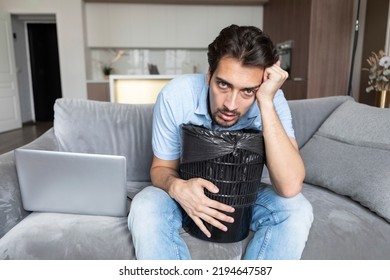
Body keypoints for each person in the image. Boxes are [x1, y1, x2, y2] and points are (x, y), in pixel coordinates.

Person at [128, 24, 313, 260]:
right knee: (144, 205)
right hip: (185, 192)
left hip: (245, 194)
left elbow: (289, 187)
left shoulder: (271, 99)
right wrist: (177, 187)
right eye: (223, 85)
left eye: (248, 91)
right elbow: (161, 169)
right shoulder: (176, 95)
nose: (231, 105)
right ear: (209, 75)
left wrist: (265, 101)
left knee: (298, 209)